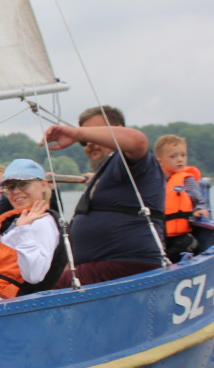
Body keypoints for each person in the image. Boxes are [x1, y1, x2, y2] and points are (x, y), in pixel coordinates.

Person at [44, 106, 165, 287]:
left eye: (94, 134)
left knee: (47, 299)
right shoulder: (106, 172)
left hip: (126, 266)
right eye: (84, 141)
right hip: (101, 267)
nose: (89, 142)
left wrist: (76, 133)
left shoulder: (130, 161)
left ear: (119, 130)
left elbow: (138, 141)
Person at [0, 159, 65, 305]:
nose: (16, 192)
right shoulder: (22, 221)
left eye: (24, 184)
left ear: (43, 185)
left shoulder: (42, 223)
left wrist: (23, 230)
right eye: (10, 187)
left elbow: (34, 275)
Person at [155, 134, 209, 261]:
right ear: (160, 160)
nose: (180, 160)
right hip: (160, 234)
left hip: (180, 234)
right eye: (173, 156)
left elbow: (197, 198)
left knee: (186, 242)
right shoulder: (155, 181)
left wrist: (200, 208)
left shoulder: (187, 179)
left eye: (183, 155)